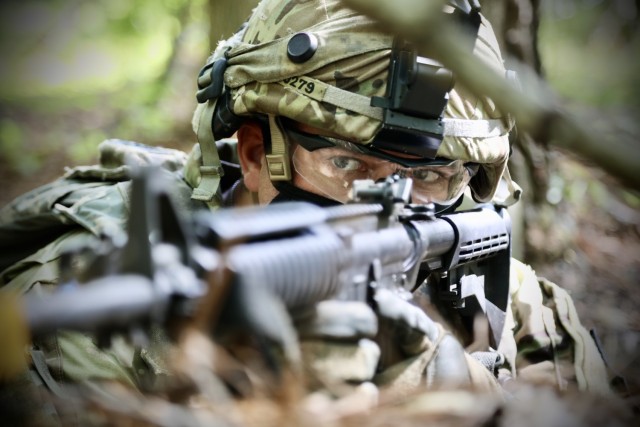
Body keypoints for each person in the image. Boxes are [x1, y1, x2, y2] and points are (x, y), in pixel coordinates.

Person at [0, 0, 613, 415]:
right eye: (346, 165)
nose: (393, 205)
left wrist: (452, 383)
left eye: (430, 175)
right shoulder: (92, 316)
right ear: (254, 148)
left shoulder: (519, 303)